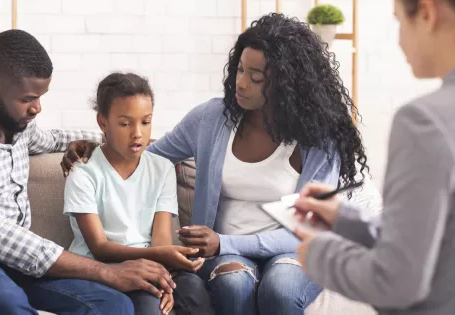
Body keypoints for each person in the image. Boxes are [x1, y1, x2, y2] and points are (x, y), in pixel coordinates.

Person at [61, 13, 369, 315]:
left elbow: (304, 229)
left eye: (256, 77)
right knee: (233, 285)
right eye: (240, 70)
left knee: (280, 289)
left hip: (288, 249)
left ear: (288, 84)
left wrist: (223, 242)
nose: (241, 83)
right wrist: (95, 145)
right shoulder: (212, 119)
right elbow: (147, 155)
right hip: (225, 255)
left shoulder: (319, 139)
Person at [0, 30, 175, 315]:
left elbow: (53, 138)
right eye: (28, 98)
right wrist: (107, 272)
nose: (37, 107)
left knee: (112, 305)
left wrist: (129, 142)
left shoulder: (14, 122)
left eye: (40, 96)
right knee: (7, 305)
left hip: (15, 260)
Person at [294, 1, 455, 314]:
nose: (399, 41)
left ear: (426, 13)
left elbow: (396, 278)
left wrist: (318, 253)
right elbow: (433, 238)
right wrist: (345, 218)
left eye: (398, 22)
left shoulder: (425, 121)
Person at [63, 72, 214, 315]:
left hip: (152, 262)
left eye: (145, 122)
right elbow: (100, 247)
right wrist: (158, 263)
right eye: (125, 124)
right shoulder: (83, 172)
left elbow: (161, 240)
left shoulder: (162, 168)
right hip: (103, 269)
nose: (137, 133)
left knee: (194, 290)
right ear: (103, 123)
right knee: (150, 307)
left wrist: (162, 272)